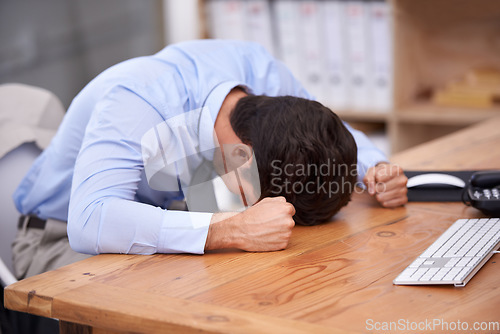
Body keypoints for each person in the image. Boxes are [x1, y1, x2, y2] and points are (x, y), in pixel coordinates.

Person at [12, 40, 407, 279]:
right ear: (241, 158)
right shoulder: (138, 98)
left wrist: (372, 166)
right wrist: (229, 228)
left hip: (167, 213)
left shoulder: (259, 74)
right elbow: (90, 221)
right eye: (251, 196)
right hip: (61, 238)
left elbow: (321, 129)